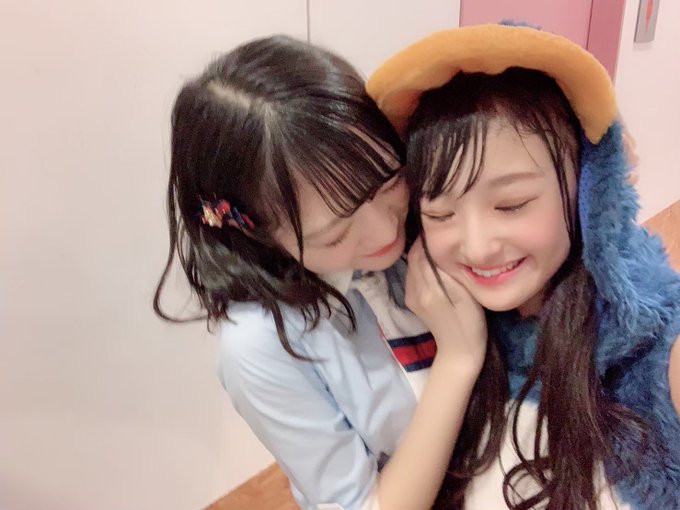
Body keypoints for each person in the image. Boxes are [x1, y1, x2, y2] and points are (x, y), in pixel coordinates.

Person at [154, 35, 487, 510]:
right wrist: (457, 362)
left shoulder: (429, 214)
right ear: (256, 232)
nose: (384, 233)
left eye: (388, 181)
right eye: (335, 235)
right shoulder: (261, 344)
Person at [368, 23, 680, 510]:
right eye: (441, 214)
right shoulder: (430, 321)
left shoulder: (656, 347)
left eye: (511, 204)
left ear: (588, 194)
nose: (477, 248)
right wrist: (457, 360)